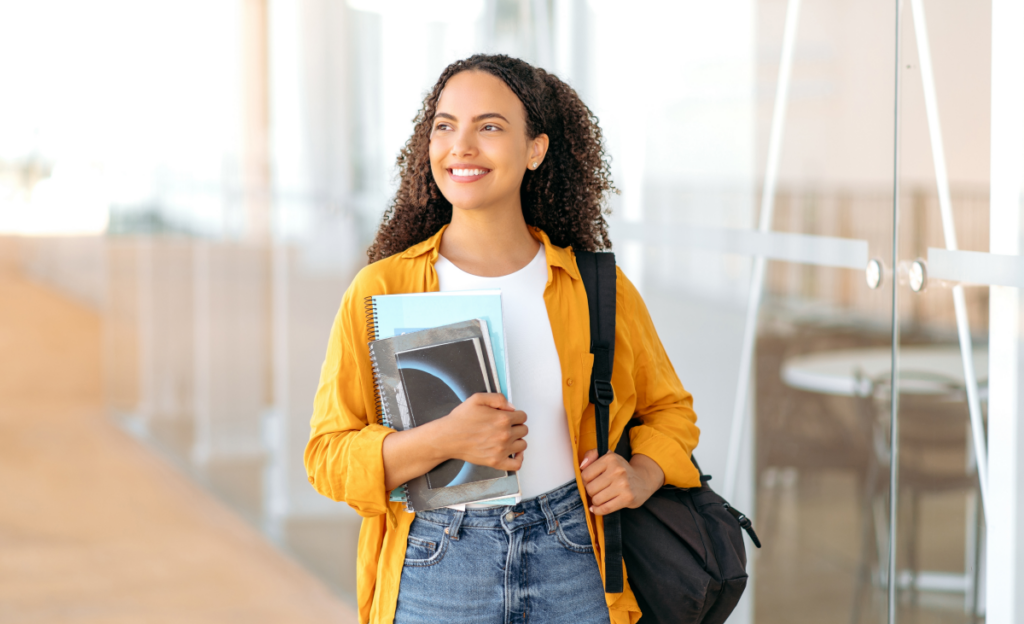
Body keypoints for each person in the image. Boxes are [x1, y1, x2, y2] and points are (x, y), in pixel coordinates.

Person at [305, 54, 701, 624]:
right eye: (445, 126)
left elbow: (670, 411)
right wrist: (445, 438)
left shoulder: (595, 287)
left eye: (489, 126)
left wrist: (642, 473)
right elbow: (327, 455)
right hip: (437, 565)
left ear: (535, 150)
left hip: (577, 558)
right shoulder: (382, 288)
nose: (461, 146)